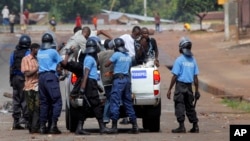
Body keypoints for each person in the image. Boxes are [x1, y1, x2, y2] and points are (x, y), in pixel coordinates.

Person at [105, 38, 139, 134]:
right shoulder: (128, 56)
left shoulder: (116, 55)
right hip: (127, 80)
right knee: (128, 102)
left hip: (118, 81)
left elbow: (107, 64)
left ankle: (114, 127)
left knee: (115, 101)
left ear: (116, 46)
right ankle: (135, 126)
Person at [76, 38, 110, 135]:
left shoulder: (89, 58)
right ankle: (102, 127)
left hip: (91, 83)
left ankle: (79, 128)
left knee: (85, 107)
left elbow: (91, 74)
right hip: (89, 84)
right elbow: (86, 74)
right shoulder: (89, 59)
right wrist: (82, 88)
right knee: (96, 105)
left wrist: (97, 85)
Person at [166, 37, 200, 133]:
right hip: (189, 87)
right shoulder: (193, 60)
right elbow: (196, 78)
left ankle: (181, 126)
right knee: (190, 106)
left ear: (181, 48)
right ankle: (195, 125)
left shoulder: (179, 60)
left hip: (180, 86)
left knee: (179, 105)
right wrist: (197, 91)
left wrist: (169, 89)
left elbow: (175, 76)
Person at [37, 32, 67, 134]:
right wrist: (67, 53)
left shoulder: (40, 52)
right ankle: (53, 126)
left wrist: (60, 48)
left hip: (41, 78)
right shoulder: (53, 52)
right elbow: (63, 63)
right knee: (57, 101)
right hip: (50, 77)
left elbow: (51, 56)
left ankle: (42, 127)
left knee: (44, 103)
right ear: (51, 42)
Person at [9, 35, 31, 130]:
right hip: (23, 78)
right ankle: (26, 120)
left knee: (16, 100)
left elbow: (11, 66)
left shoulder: (14, 53)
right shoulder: (28, 53)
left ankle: (16, 121)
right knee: (25, 99)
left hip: (15, 79)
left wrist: (11, 80)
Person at [21, 43, 40, 133]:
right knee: (30, 109)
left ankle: (34, 127)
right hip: (29, 87)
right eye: (37, 49)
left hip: (37, 86)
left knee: (37, 107)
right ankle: (30, 126)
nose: (38, 51)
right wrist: (37, 68)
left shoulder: (38, 59)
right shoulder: (26, 59)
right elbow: (27, 74)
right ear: (32, 49)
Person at [98, 39, 114, 125]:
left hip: (104, 80)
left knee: (109, 98)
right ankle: (106, 118)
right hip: (113, 79)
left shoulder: (100, 54)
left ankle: (107, 118)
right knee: (110, 99)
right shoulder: (114, 53)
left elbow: (97, 65)